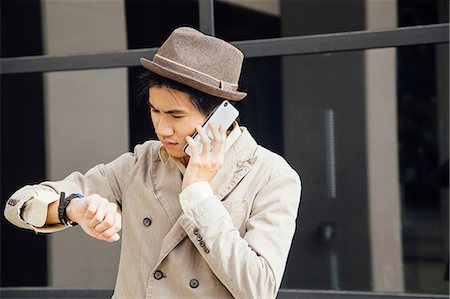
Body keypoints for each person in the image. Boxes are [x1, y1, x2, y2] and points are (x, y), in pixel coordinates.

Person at [4, 27, 301, 299]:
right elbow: (17, 205)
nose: (161, 128)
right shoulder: (143, 162)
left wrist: (198, 195)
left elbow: (259, 288)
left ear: (220, 116)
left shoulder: (271, 176)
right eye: (154, 110)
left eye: (175, 115)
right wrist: (73, 208)